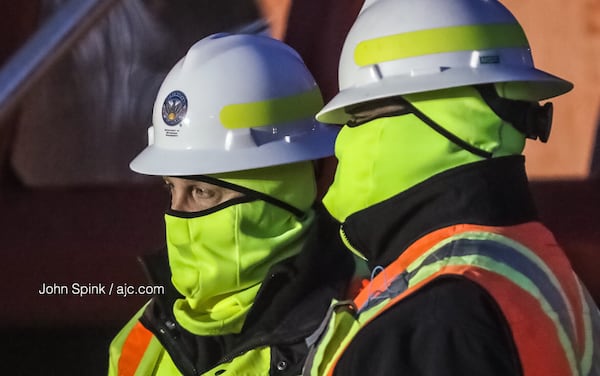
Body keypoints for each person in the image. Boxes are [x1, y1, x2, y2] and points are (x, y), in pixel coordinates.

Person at [302, 0, 600, 375]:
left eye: (360, 116)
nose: (346, 139)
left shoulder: (437, 317)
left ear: (431, 120)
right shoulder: (524, 255)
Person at [107, 33, 354, 375]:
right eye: (170, 189)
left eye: (201, 192)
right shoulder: (144, 338)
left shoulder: (357, 334)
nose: (177, 216)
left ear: (284, 192)